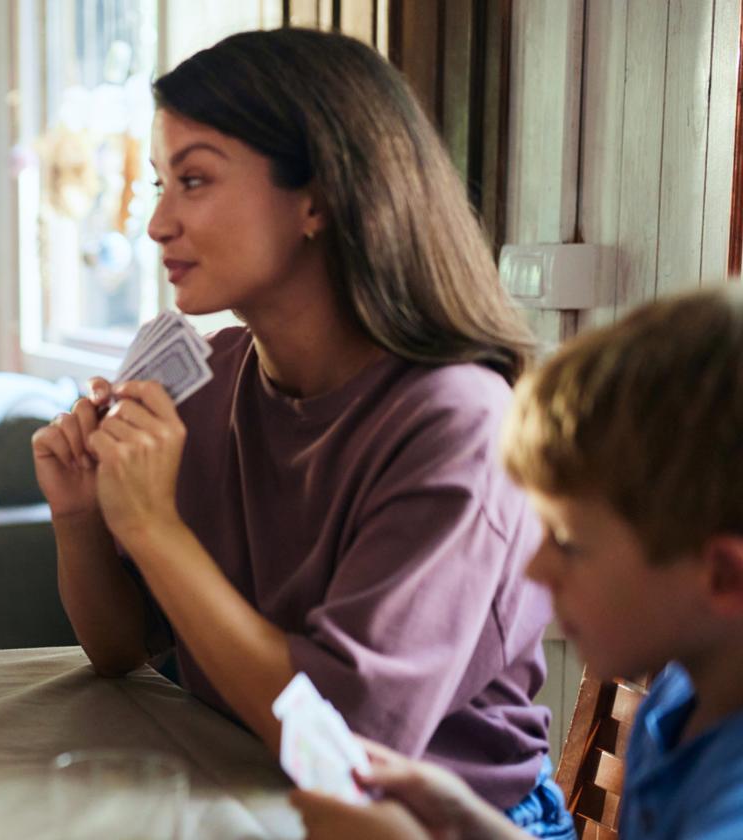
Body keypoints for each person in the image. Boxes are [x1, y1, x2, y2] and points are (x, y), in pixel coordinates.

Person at [32, 28, 567, 833]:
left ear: (316, 197)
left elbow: (344, 744)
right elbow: (121, 648)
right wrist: (81, 514)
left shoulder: (457, 425)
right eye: (161, 184)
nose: (158, 224)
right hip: (241, 786)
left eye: (194, 180)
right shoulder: (208, 375)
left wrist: (152, 526)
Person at [293, 289, 743, 840]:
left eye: (568, 543)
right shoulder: (686, 694)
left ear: (723, 577)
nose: (535, 569)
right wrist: (464, 820)